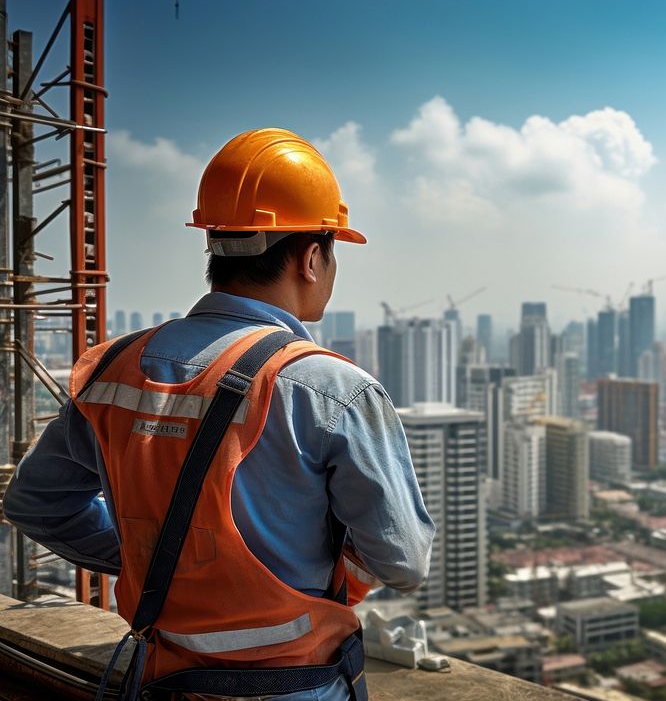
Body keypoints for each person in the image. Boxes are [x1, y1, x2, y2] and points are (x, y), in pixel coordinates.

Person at [5, 127, 434, 701]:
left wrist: (161, 563)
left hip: (158, 680)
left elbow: (36, 504)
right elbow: (403, 559)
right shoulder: (333, 391)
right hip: (296, 686)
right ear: (311, 257)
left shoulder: (116, 367)